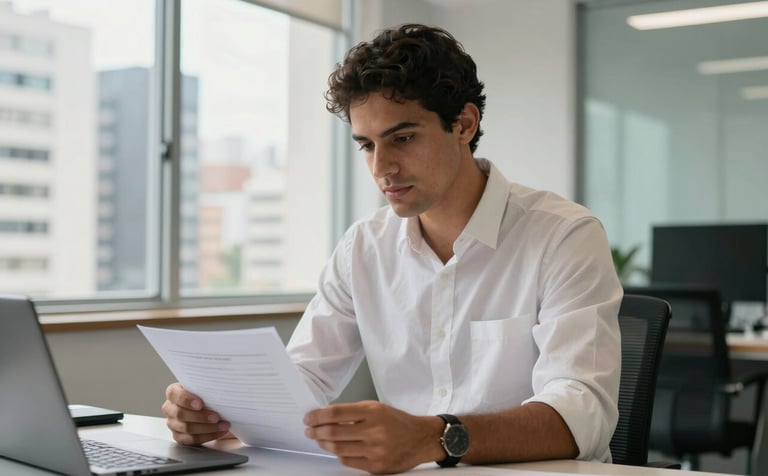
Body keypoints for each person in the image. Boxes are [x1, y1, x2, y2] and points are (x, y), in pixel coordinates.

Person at [162, 23, 622, 474]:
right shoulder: (363, 246)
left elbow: (582, 413)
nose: (382, 168)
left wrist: (433, 437)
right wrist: (216, 412)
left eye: (402, 139)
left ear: (463, 124)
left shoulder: (564, 235)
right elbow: (304, 378)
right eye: (366, 145)